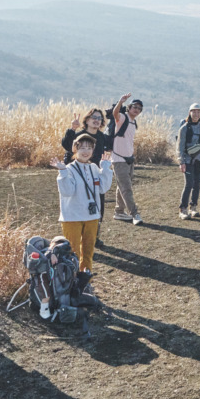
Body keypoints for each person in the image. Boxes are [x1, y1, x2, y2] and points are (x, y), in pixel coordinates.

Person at [49, 134, 112, 273]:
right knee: (72, 252)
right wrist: (62, 172)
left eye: (89, 148)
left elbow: (103, 188)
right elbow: (67, 192)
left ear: (93, 150)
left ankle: (85, 278)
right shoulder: (69, 169)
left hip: (92, 216)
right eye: (82, 148)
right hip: (72, 217)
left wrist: (106, 169)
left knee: (88, 252)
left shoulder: (94, 168)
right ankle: (72, 279)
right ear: (75, 149)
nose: (86, 151)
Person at [62, 108, 113, 237]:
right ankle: (79, 234)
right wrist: (72, 129)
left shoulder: (102, 137)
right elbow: (67, 145)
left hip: (96, 174)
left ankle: (95, 236)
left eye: (99, 118)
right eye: (94, 117)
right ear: (87, 120)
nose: (97, 120)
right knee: (80, 202)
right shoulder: (80, 135)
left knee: (99, 203)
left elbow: (112, 144)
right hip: (79, 174)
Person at [107, 93, 143, 225]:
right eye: (134, 107)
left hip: (129, 159)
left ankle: (119, 211)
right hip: (118, 159)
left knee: (121, 186)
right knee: (126, 188)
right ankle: (135, 214)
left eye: (139, 108)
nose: (136, 109)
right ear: (129, 107)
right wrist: (120, 102)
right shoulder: (123, 117)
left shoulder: (133, 122)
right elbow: (115, 114)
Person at [176, 104, 200, 220]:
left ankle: (193, 207)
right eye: (194, 111)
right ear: (189, 113)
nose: (196, 114)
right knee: (189, 184)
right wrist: (181, 161)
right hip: (187, 160)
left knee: (197, 184)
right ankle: (183, 209)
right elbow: (180, 146)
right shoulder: (184, 128)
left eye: (198, 112)